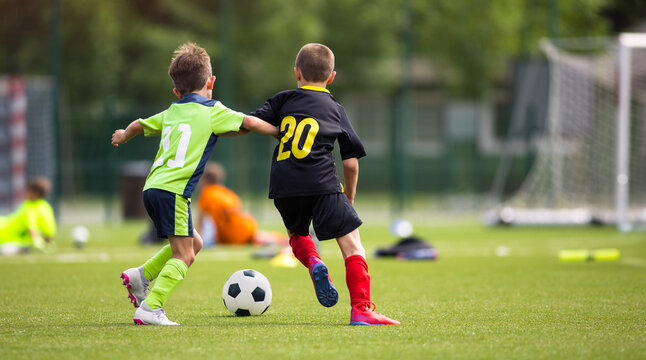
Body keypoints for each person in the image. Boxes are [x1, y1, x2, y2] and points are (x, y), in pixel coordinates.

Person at [111, 42, 278, 326]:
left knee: (195, 242)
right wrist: (281, 133)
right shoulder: (214, 110)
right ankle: (151, 307)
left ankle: (140, 276)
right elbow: (249, 122)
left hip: (152, 189)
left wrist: (123, 135)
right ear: (211, 81)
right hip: (174, 192)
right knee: (185, 255)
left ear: (176, 92)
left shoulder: (171, 111)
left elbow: (139, 125)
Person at [250, 43, 400, 325]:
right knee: (353, 246)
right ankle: (361, 310)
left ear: (297, 73)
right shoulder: (335, 109)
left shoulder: (283, 100)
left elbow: (248, 123)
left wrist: (277, 131)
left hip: (284, 183)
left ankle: (314, 262)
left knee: (296, 234)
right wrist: (350, 198)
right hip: (322, 182)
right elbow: (351, 162)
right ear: (331, 77)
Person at [196, 162, 287, 247]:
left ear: (205, 180)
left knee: (254, 238)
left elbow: (201, 219)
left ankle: (283, 240)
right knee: (256, 237)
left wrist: (198, 240)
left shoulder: (206, 193)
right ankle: (283, 240)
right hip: (245, 224)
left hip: (232, 234)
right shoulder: (227, 192)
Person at [0, 177, 56, 253]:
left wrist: (37, 242)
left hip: (4, 232)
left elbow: (31, 228)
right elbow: (49, 231)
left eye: (26, 190)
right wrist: (44, 242)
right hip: (11, 236)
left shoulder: (29, 207)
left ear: (34, 193)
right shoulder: (45, 207)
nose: (24, 192)